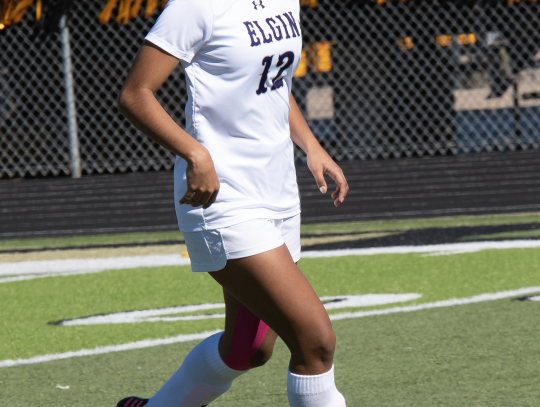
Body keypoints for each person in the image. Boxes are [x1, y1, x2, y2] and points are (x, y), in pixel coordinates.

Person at [115, 0, 349, 405]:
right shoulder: (195, 6)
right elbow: (136, 94)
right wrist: (195, 154)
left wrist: (310, 144)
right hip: (222, 196)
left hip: (276, 189)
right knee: (315, 341)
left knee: (249, 348)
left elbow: (272, 81)